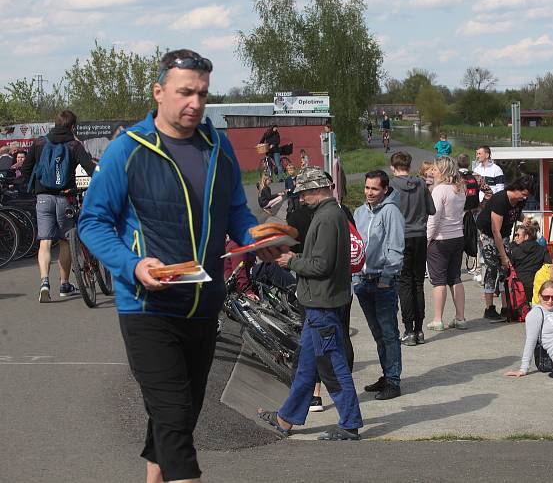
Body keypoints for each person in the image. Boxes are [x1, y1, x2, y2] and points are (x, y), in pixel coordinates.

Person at [79, 49, 264, 482]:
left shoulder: (215, 144)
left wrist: (256, 237)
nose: (195, 104)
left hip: (203, 303)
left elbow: (236, 207)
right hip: (148, 307)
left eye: (202, 93)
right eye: (185, 92)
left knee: (177, 416)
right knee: (176, 421)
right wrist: (132, 264)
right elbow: (92, 222)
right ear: (159, 92)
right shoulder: (129, 149)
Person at [259, 166, 363, 440]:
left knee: (332, 365)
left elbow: (322, 265)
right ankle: (285, 419)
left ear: (318, 190)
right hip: (320, 302)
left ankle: (350, 423)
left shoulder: (327, 218)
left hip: (322, 304)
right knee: (306, 366)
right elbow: (322, 257)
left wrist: (290, 261)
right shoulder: (332, 214)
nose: (302, 199)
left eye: (305, 193)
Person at [21, 110, 96, 302]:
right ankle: (64, 284)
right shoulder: (74, 145)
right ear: (72, 126)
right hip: (65, 198)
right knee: (65, 241)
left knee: (44, 242)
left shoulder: (39, 142)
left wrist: (35, 185)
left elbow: (26, 168)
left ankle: (44, 283)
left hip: (43, 198)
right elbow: (91, 169)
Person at [353, 170, 405, 400]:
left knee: (389, 334)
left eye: (374, 188)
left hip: (382, 283)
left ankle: (393, 381)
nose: (369, 193)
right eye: (367, 188)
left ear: (385, 190)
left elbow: (395, 248)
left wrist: (386, 278)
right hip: (363, 283)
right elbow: (354, 246)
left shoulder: (391, 211)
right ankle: (386, 374)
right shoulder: (358, 212)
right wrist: (355, 277)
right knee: (378, 335)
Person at [389, 151, 435, 346]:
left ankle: (408, 330)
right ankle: (419, 329)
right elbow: (431, 210)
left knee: (404, 284)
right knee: (418, 283)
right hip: (420, 236)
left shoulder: (391, 186)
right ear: (409, 165)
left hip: (401, 238)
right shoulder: (422, 184)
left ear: (393, 167)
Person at [475, 176, 530, 321]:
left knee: (505, 270)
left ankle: (506, 306)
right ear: (516, 189)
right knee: (492, 268)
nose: (524, 198)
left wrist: (524, 220)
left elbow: (515, 214)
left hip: (504, 234)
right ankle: (489, 308)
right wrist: (503, 256)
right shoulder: (500, 200)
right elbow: (495, 231)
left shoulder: (519, 201)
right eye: (523, 194)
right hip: (488, 234)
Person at [426, 156, 467, 331]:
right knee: (455, 278)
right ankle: (460, 317)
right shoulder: (460, 188)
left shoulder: (439, 190)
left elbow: (433, 218)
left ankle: (437, 319)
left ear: (442, 171)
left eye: (435, 169)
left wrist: (427, 239)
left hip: (440, 239)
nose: (431, 171)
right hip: (458, 237)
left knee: (438, 281)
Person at [509, 220, 550, 305]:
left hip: (519, 286)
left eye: (517, 235)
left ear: (526, 236)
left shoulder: (515, 250)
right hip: (535, 284)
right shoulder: (542, 250)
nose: (516, 237)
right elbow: (548, 265)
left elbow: (509, 267)